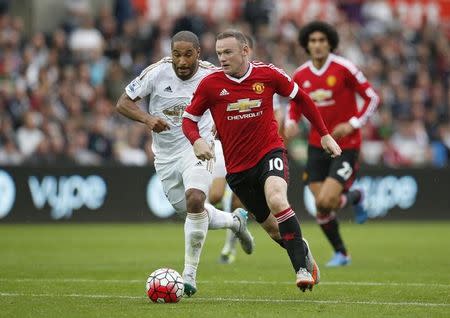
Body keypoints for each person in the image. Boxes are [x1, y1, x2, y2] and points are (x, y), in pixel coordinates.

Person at [182, 29, 342, 292]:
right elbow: (189, 119)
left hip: (269, 152)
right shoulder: (210, 85)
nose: (222, 58)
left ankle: (300, 270)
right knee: (274, 231)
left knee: (278, 199)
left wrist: (324, 134)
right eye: (219, 53)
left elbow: (301, 98)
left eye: (228, 52)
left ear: (245, 51)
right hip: (238, 170)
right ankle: (303, 251)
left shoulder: (268, 74)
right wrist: (196, 140)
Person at [115, 31, 255, 297]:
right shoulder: (156, 73)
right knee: (194, 211)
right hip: (165, 157)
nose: (182, 61)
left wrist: (221, 125)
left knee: (195, 199)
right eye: (177, 54)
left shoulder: (212, 75)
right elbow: (123, 103)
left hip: (198, 147)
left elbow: (236, 100)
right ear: (171, 53)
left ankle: (189, 274)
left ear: (198, 54)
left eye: (188, 54)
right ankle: (235, 223)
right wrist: (147, 119)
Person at [284, 21, 380, 267]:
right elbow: (294, 105)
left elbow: (372, 97)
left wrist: (354, 123)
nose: (317, 45)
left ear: (330, 43)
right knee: (323, 205)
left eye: (322, 41)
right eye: (313, 41)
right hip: (316, 145)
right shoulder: (300, 74)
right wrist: (291, 122)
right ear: (307, 44)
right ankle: (353, 202)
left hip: (345, 145)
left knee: (325, 202)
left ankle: (342, 251)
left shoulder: (344, 67)